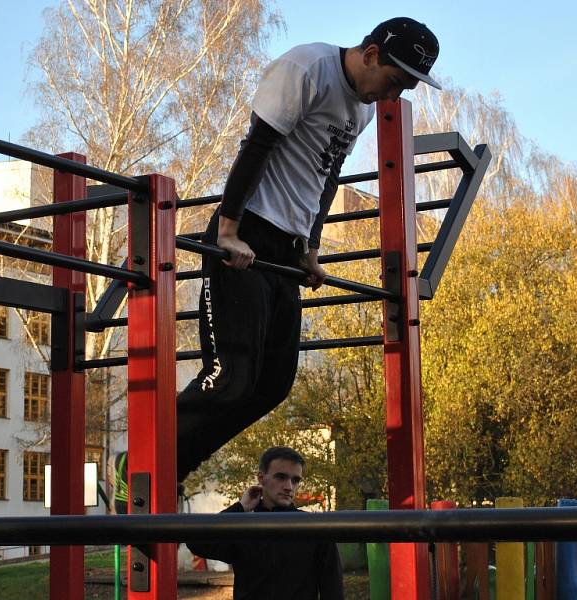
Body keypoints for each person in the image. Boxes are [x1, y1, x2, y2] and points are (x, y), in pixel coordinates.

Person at [176, 17, 441, 482]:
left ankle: (172, 463)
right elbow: (256, 147)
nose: (392, 97)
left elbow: (326, 178)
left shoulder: (359, 108)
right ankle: (142, 461)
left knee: (271, 386)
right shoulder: (308, 68)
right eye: (393, 83)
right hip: (248, 233)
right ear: (373, 54)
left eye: (404, 90)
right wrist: (228, 232)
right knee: (230, 377)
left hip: (286, 248)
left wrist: (310, 249)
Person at [186, 446, 344, 599]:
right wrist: (240, 508)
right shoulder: (244, 527)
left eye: (295, 480)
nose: (289, 487)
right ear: (261, 478)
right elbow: (197, 542)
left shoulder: (314, 528)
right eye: (281, 477)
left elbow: (333, 590)